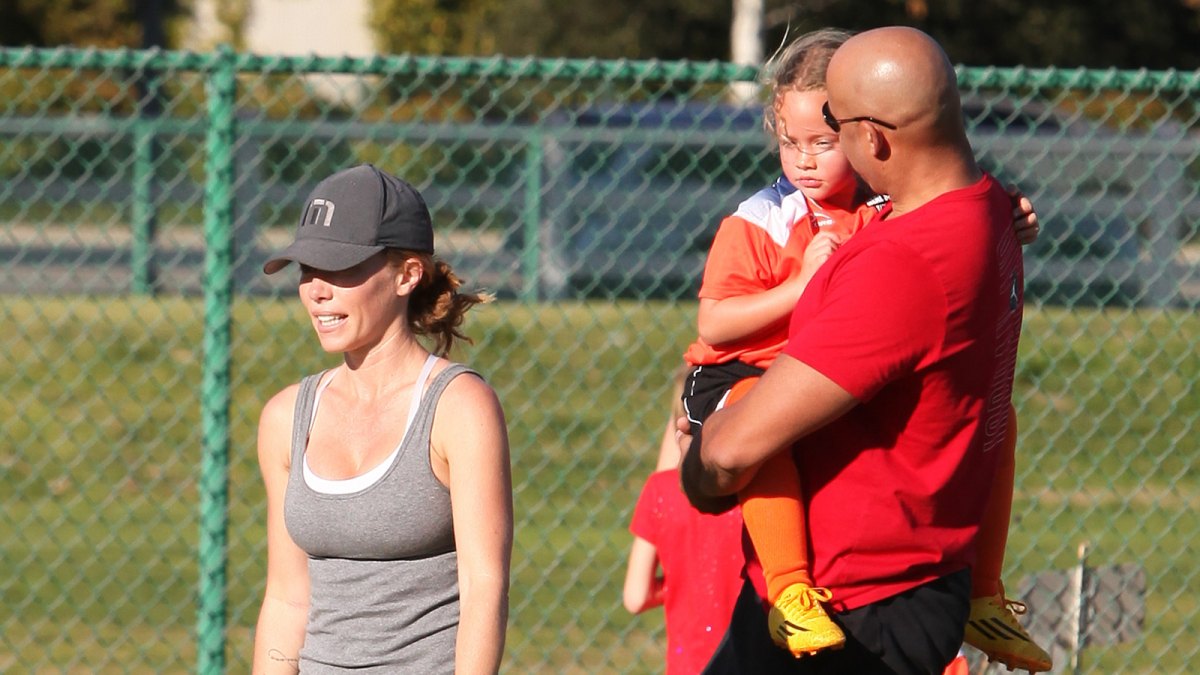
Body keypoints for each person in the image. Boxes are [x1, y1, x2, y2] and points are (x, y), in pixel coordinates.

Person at [680, 28, 1049, 671]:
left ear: (873, 138)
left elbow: (739, 446)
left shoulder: (903, 260)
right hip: (920, 580)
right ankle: (985, 593)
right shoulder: (986, 211)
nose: (814, 153)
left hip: (855, 608)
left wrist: (704, 473)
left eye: (835, 129)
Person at [251, 164, 513, 674]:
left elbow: (486, 586)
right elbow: (286, 598)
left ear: (407, 274)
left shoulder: (458, 407)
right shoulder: (285, 417)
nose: (316, 291)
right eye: (308, 270)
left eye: (340, 269)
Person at [623, 365, 746, 675]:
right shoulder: (761, 492)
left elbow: (635, 598)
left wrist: (679, 583)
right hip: (755, 655)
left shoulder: (659, 493)